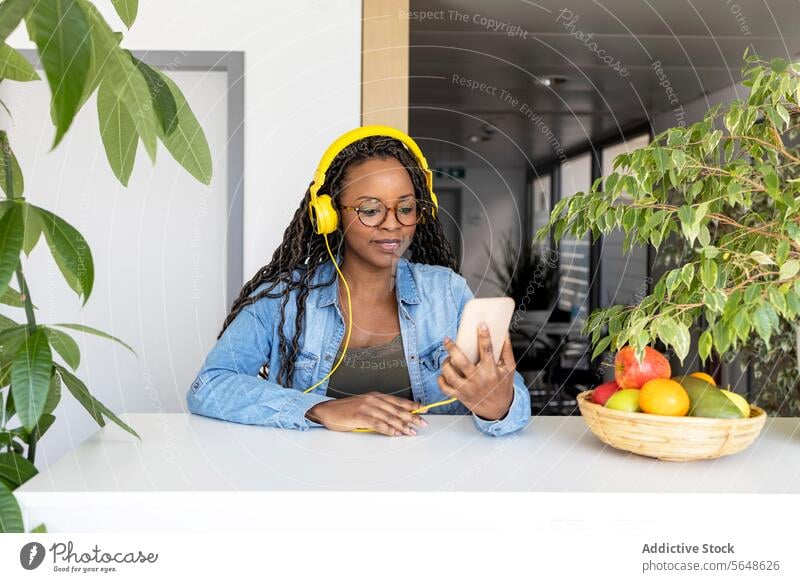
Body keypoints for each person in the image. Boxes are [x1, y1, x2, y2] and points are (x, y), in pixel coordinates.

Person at [186, 127, 531, 437]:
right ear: (329, 214)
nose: (392, 224)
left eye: (406, 208)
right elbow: (209, 386)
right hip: (307, 484)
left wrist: (499, 405)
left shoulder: (446, 292)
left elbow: (511, 407)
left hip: (428, 489)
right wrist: (319, 410)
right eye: (370, 210)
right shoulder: (282, 299)